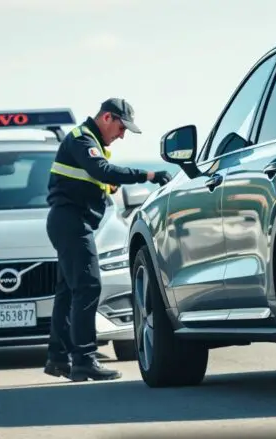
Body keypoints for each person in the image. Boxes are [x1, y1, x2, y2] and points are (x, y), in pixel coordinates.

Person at [44, 98, 172, 382]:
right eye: (121, 127)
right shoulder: (83, 140)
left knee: (68, 292)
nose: (122, 135)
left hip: (67, 221)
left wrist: (106, 187)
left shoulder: (88, 142)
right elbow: (102, 170)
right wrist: (149, 175)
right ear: (106, 118)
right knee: (88, 287)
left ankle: (58, 358)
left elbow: (94, 177)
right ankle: (84, 360)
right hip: (72, 223)